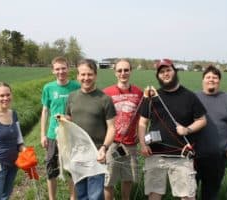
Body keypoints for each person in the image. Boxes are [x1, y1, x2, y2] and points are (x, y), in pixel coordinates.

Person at [138, 58, 207, 200]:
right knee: (154, 194)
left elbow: (202, 120)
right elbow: (142, 123)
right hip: (155, 155)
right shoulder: (152, 97)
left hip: (181, 155)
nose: (165, 74)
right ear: (158, 76)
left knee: (187, 196)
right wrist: (143, 145)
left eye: (168, 70)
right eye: (161, 72)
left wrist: (187, 130)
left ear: (175, 72)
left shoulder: (189, 96)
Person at [195, 65, 227, 200]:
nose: (211, 79)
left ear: (219, 80)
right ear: (203, 80)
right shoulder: (193, 98)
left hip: (217, 158)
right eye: (208, 77)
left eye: (215, 77)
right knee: (188, 194)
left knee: (211, 194)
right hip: (192, 156)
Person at [66, 58, 116, 200]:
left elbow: (112, 128)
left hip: (96, 154)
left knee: (95, 196)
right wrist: (62, 120)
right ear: (77, 76)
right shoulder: (72, 97)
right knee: (81, 195)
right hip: (77, 154)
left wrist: (104, 148)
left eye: (89, 74)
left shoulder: (104, 99)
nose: (86, 78)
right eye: (82, 74)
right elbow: (70, 120)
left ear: (95, 75)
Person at [40, 56, 80, 200]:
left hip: (70, 134)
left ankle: (73, 197)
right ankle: (52, 198)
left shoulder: (76, 86)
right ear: (53, 71)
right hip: (52, 134)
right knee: (51, 168)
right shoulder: (48, 88)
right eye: (57, 69)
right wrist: (43, 134)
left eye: (63, 68)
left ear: (68, 69)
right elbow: (45, 111)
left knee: (71, 168)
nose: (61, 71)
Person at [103, 59, 143, 200]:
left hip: (131, 144)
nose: (123, 73)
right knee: (109, 181)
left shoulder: (139, 92)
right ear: (115, 73)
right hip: (113, 144)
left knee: (128, 179)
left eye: (126, 70)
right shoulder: (106, 92)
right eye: (120, 70)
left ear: (130, 71)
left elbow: (141, 118)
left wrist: (140, 136)